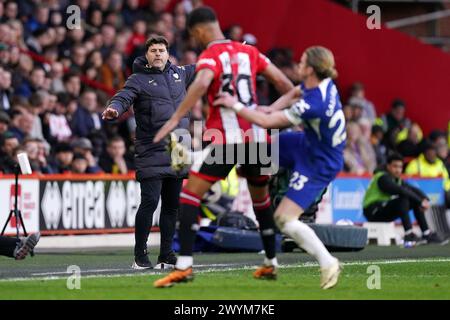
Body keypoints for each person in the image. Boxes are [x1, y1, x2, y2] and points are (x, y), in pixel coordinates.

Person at [152, 7, 293, 288]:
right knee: (260, 200)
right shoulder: (250, 52)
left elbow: (203, 82)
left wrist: (176, 117)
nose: (195, 41)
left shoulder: (211, 56)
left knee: (190, 196)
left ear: (200, 31)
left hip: (227, 138)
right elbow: (287, 86)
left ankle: (184, 267)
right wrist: (268, 111)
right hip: (257, 138)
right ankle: (270, 263)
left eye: (194, 36)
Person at [213, 46, 345, 289]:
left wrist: (237, 105)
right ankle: (196, 156)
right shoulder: (320, 84)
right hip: (305, 144)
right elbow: (295, 92)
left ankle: (328, 262)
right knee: (254, 150)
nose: (298, 64)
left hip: (319, 162)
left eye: (302, 62)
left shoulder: (315, 103)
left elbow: (266, 122)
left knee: (284, 219)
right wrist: (272, 107)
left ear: (311, 69)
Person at [102, 36, 196, 270]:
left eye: (161, 50)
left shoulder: (180, 74)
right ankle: (140, 255)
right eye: (153, 50)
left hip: (178, 149)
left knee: (172, 206)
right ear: (146, 55)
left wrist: (231, 51)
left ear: (168, 54)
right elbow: (123, 96)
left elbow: (206, 65)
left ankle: (166, 254)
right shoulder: (137, 79)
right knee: (150, 201)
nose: (157, 54)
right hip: (151, 147)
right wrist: (114, 108)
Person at [363, 153, 444, 244]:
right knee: (404, 198)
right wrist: (420, 201)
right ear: (388, 166)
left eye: (400, 167)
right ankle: (408, 234)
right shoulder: (382, 178)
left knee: (412, 199)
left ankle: (426, 234)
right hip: (372, 211)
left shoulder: (396, 179)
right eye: (395, 166)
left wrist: (425, 199)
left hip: (383, 210)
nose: (398, 170)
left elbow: (412, 189)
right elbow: (401, 190)